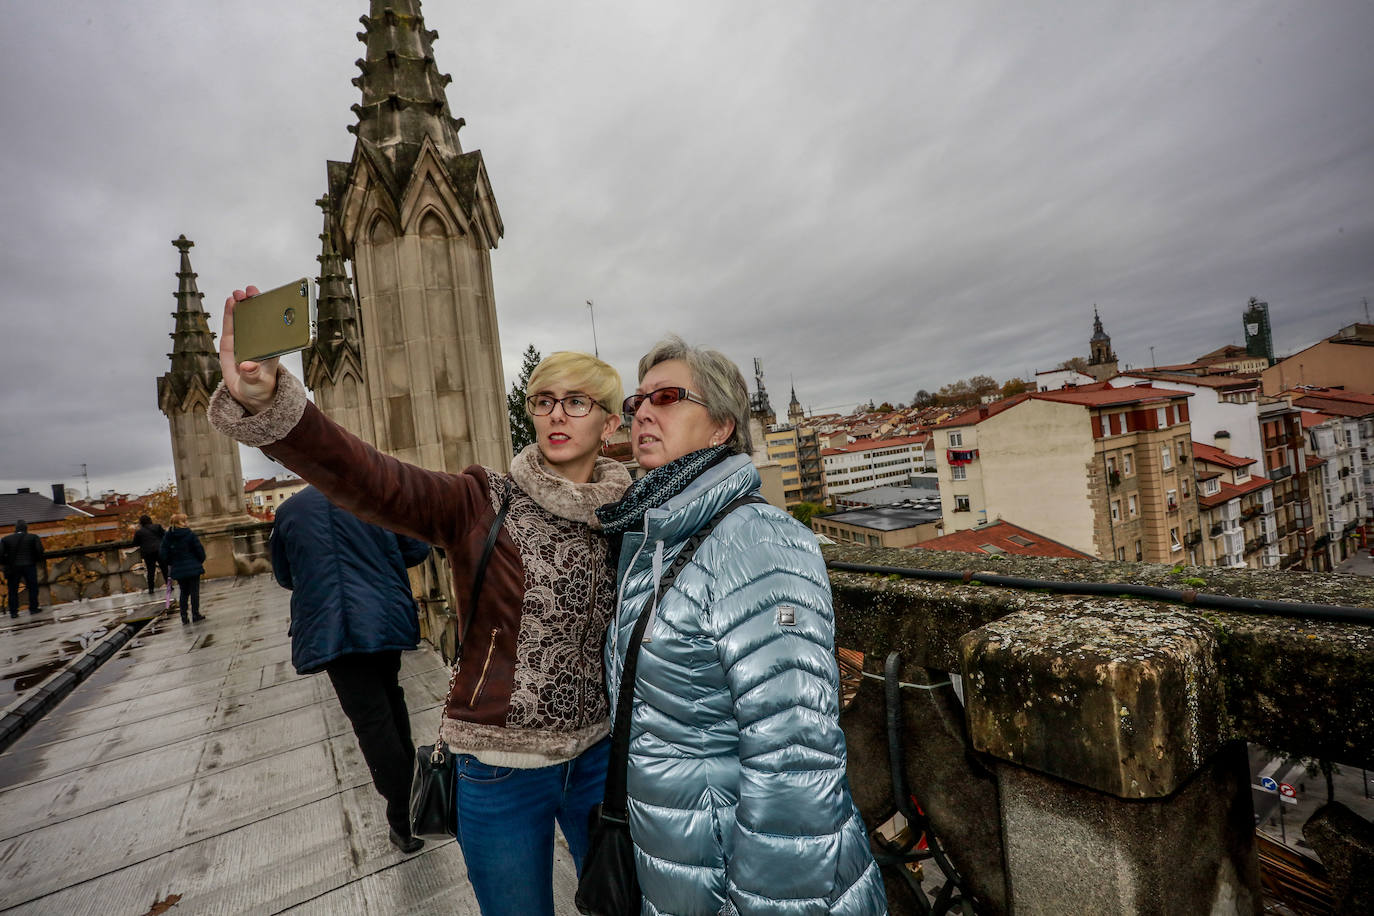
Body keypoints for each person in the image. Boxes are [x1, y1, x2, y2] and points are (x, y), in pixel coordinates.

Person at [208, 286, 632, 916]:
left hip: (598, 760)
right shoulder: (480, 501)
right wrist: (270, 403)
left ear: (610, 423)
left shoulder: (631, 514)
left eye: (576, 402)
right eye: (543, 401)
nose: (556, 415)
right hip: (497, 768)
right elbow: (367, 476)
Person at [593, 335, 887, 915]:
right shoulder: (658, 534)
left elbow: (794, 756)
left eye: (669, 397)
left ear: (722, 427)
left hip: (748, 882)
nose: (643, 411)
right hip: (688, 864)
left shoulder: (757, 543)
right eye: (637, 402)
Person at [271, 486, 433, 855]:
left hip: (331, 628)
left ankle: (404, 820)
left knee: (372, 721)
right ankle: (415, 800)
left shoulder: (289, 511)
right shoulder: (375, 493)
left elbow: (284, 575)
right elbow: (417, 549)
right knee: (392, 704)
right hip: (383, 615)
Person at [160, 513, 206, 624]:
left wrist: (172, 562)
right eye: (185, 520)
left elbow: (163, 553)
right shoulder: (189, 534)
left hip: (178, 568)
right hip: (193, 566)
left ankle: (184, 616)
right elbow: (199, 550)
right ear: (182, 522)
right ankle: (195, 614)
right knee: (194, 592)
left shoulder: (168, 536)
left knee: (184, 592)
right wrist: (198, 561)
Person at [2, 520, 46, 617]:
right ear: (26, 528)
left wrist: (7, 563)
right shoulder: (33, 537)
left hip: (13, 568)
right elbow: (40, 551)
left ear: (15, 529)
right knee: (33, 588)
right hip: (29, 566)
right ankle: (33, 608)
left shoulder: (6, 539)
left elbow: (0, 554)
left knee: (13, 590)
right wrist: (35, 560)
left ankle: (13, 612)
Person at [131, 514, 168, 596]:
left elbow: (135, 543)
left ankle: (151, 589)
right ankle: (169, 586)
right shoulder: (157, 527)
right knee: (164, 568)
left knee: (150, 571)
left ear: (141, 523)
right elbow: (165, 535)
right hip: (159, 550)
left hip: (148, 553)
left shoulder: (139, 532)